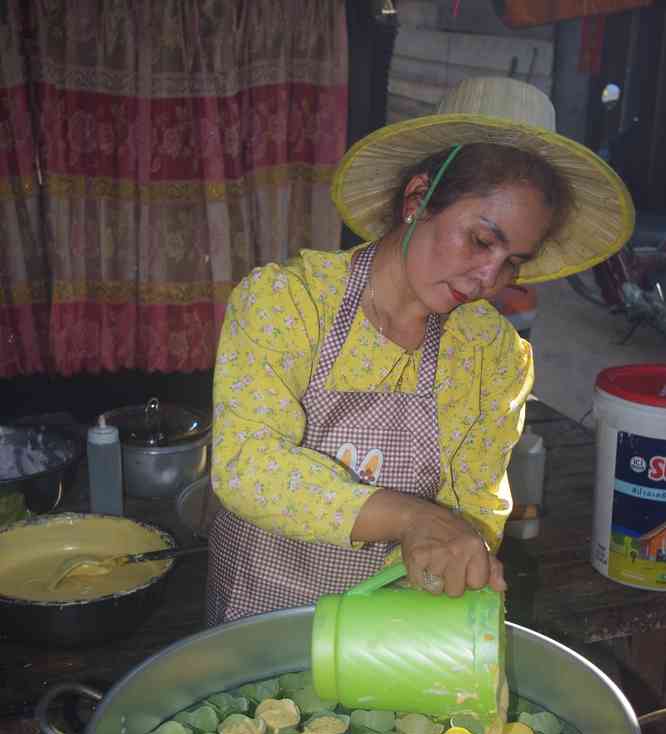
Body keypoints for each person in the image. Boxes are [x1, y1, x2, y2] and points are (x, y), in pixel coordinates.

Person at [207, 77, 633, 625]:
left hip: (392, 634)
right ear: (418, 199)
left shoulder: (491, 354)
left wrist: (460, 561)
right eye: (481, 240)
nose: (489, 278)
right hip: (261, 617)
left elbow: (475, 504)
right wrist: (409, 518)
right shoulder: (289, 304)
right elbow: (248, 465)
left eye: (513, 262)